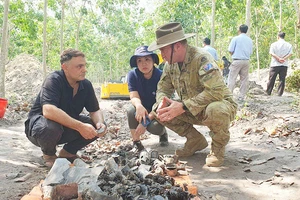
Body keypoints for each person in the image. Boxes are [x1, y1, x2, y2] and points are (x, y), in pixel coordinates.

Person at [148, 22, 237, 167]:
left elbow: (216, 92)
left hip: (218, 105)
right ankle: (194, 140)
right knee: (159, 109)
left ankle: (217, 149)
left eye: (163, 50)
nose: (161, 55)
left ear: (176, 46)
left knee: (215, 110)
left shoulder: (201, 58)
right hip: (191, 108)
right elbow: (162, 89)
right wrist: (161, 102)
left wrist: (183, 106)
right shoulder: (170, 65)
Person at [24, 49, 107, 168]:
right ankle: (49, 154)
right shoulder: (53, 80)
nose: (84, 69)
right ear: (65, 67)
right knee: (50, 127)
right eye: (79, 66)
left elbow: (94, 110)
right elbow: (48, 110)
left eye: (84, 65)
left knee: (97, 125)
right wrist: (80, 126)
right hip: (40, 130)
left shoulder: (86, 85)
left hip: (65, 127)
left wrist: (100, 123)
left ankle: (67, 152)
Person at [127, 45, 169, 151]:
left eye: (147, 59)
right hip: (142, 108)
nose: (143, 63)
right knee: (131, 110)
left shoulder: (161, 76)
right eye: (139, 60)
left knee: (155, 128)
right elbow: (133, 95)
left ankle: (163, 133)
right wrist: (139, 105)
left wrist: (144, 123)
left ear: (153, 60)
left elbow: (163, 102)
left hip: (158, 109)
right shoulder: (132, 75)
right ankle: (136, 141)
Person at [228, 24, 253, 102]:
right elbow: (251, 52)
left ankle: (229, 95)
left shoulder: (235, 39)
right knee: (244, 79)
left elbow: (230, 50)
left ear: (239, 30)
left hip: (237, 60)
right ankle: (241, 97)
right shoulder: (250, 40)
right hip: (246, 61)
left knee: (232, 78)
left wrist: (234, 55)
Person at [266, 31, 293, 96]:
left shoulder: (273, 44)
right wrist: (283, 59)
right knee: (282, 79)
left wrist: (278, 58)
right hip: (284, 64)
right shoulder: (289, 45)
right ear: (284, 36)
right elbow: (290, 53)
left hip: (275, 64)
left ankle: (268, 92)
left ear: (278, 36)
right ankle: (279, 94)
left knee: (271, 79)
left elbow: (271, 53)